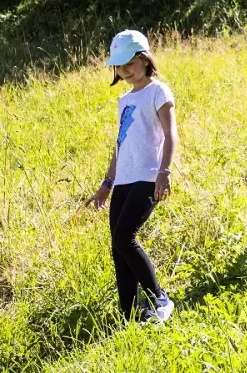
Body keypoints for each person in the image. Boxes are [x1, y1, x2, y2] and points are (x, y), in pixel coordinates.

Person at [85, 30, 177, 324]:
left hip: (148, 177)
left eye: (129, 64)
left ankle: (160, 298)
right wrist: (106, 184)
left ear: (145, 58)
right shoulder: (124, 100)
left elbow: (171, 134)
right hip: (124, 181)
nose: (124, 72)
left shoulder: (158, 91)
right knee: (117, 247)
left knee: (125, 238)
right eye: (119, 67)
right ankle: (130, 316)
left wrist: (164, 172)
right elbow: (120, 144)